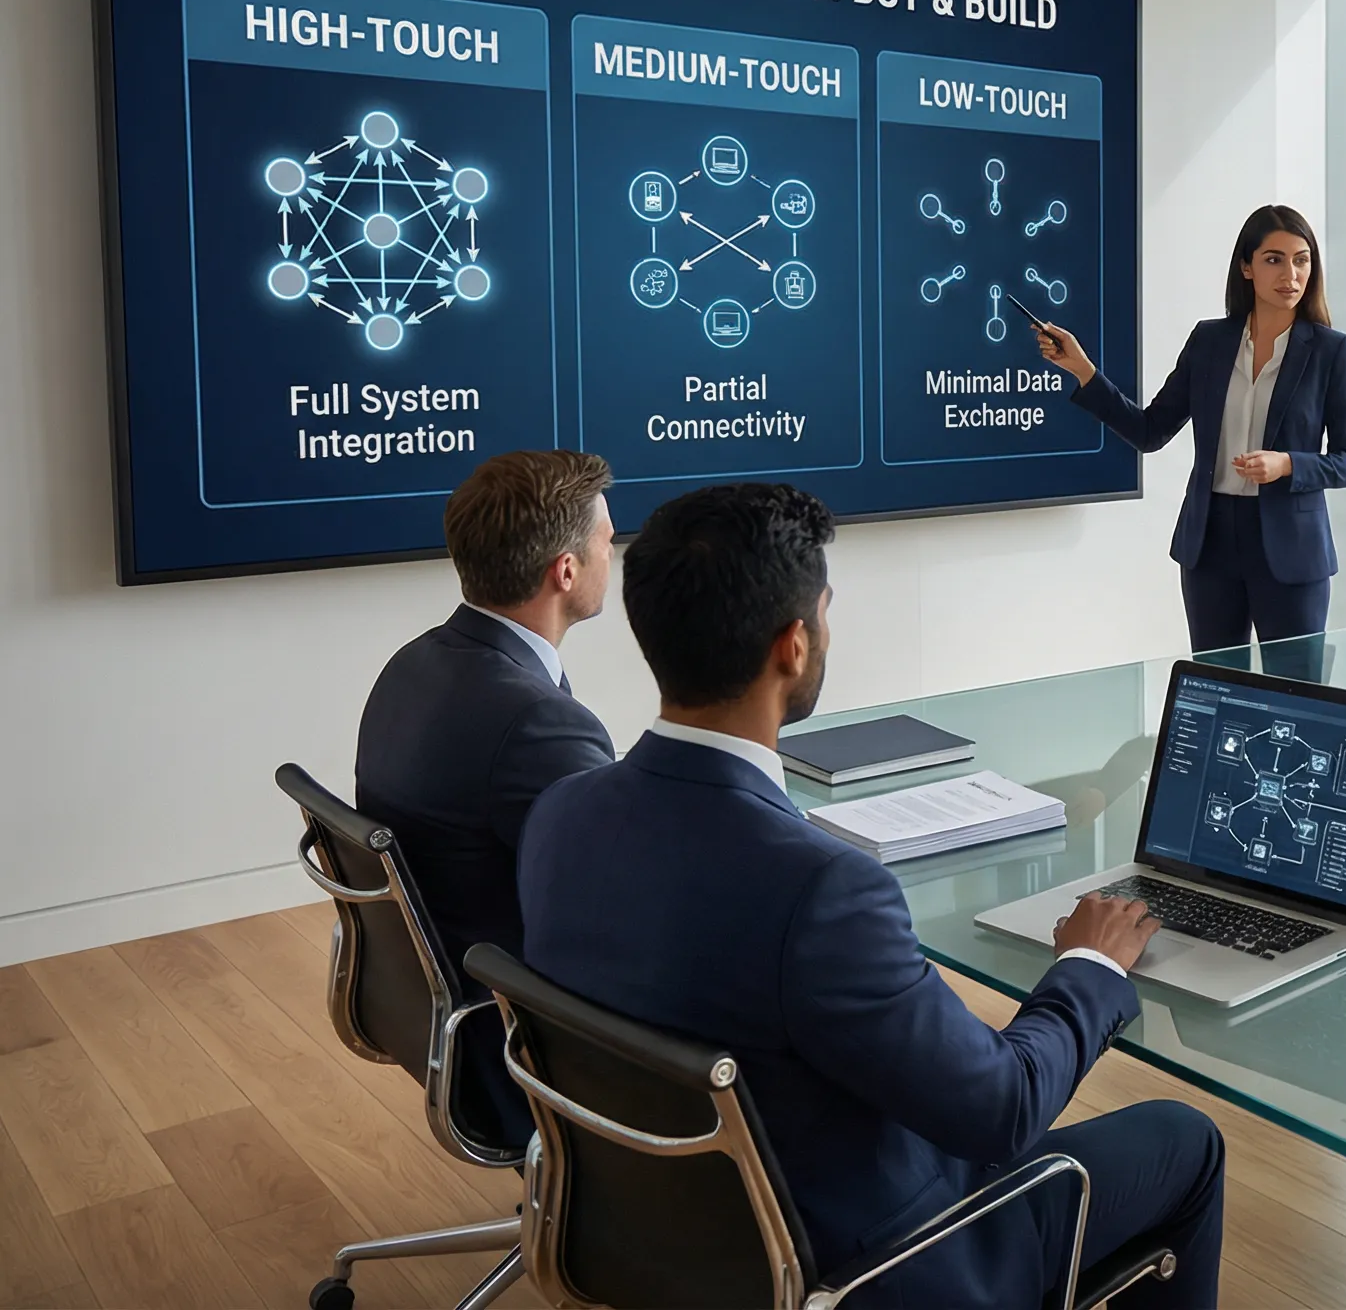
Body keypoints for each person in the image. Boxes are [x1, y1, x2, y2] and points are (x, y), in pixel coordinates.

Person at [517, 484, 1224, 1308]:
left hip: (670, 1235)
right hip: (875, 1265)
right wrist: (1090, 966)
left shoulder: (561, 814)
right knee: (1187, 1140)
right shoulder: (822, 890)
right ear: (793, 645)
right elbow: (1004, 1107)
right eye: (825, 612)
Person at [356, 449, 618, 1146]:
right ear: (565, 572)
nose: (612, 552)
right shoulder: (536, 721)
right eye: (606, 540)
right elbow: (625, 905)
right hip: (511, 1046)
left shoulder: (414, 663)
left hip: (425, 1004)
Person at [1037, 205, 1346, 654]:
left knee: (1294, 693)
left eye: (1301, 259)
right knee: (1217, 691)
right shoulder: (1209, 342)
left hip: (1292, 548)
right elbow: (1149, 431)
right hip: (1210, 544)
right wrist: (1085, 372)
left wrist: (1287, 464)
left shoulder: (1332, 351)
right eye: (1274, 259)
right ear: (1247, 267)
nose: (1290, 273)